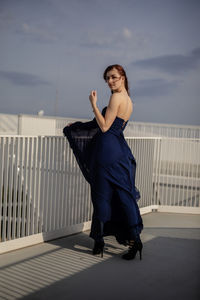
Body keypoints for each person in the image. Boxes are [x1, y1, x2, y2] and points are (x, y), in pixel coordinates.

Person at [63, 64, 143, 260]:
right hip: (120, 153)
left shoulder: (116, 97)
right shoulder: (129, 100)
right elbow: (103, 124)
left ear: (122, 77)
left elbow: (105, 127)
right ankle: (134, 241)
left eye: (113, 77)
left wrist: (93, 104)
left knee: (101, 199)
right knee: (124, 198)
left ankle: (98, 241)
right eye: (107, 78)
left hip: (106, 153)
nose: (110, 81)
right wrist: (79, 125)